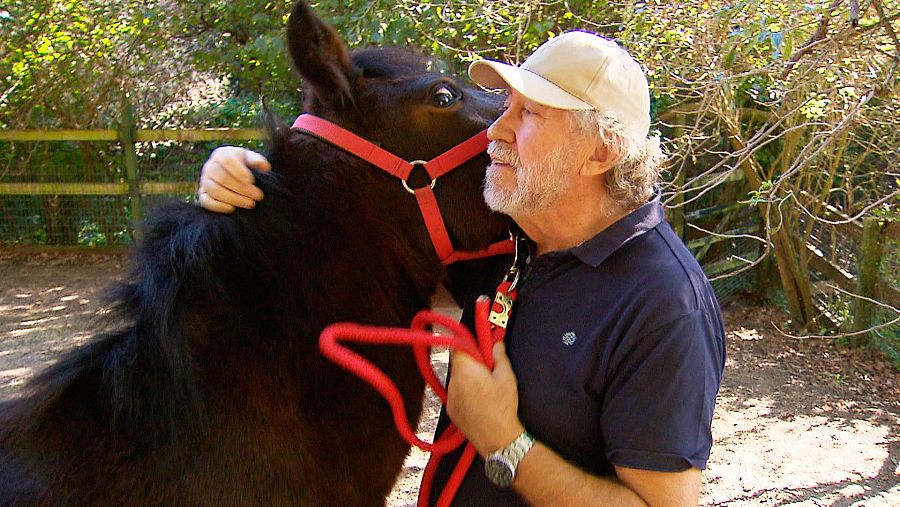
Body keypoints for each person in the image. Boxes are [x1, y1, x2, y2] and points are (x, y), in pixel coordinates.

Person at [197, 31, 725, 506]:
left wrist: (505, 443)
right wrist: (249, 179)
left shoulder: (664, 304)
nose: (496, 127)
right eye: (507, 105)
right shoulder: (513, 244)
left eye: (530, 114)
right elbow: (352, 259)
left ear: (600, 152)